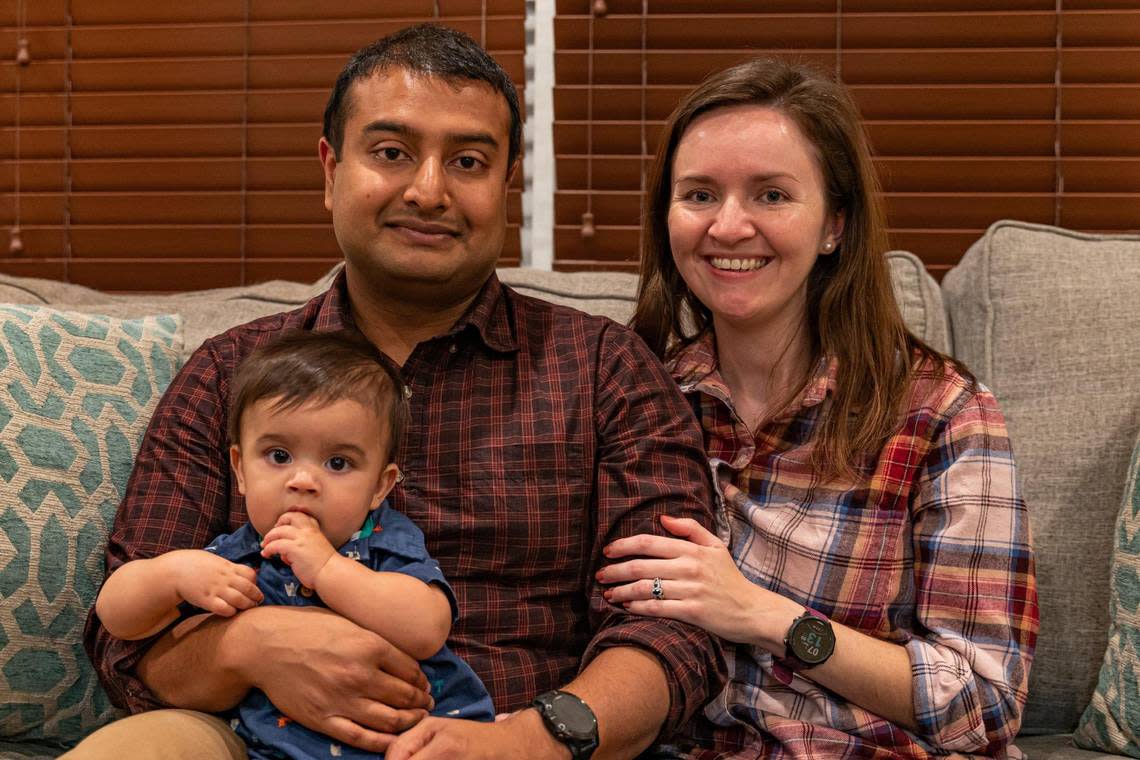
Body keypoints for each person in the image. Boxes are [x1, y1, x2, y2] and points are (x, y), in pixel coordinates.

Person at [71, 22, 724, 760]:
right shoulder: (231, 371)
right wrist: (251, 646)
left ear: (505, 183)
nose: (428, 190)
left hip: (520, 732)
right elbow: (123, 640)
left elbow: (674, 626)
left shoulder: (604, 368)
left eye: (469, 161)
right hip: (255, 738)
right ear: (330, 169)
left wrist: (528, 741)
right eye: (391, 153)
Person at [599, 58, 1039, 758]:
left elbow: (984, 701)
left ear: (834, 225)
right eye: (699, 195)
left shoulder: (941, 413)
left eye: (771, 195)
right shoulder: (633, 396)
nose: (729, 226)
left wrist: (764, 615)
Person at [93, 330, 495, 759]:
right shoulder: (237, 556)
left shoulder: (383, 541)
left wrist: (327, 569)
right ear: (240, 470)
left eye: (338, 463)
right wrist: (170, 575)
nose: (303, 481)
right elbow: (118, 618)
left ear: (380, 486)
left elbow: (425, 628)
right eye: (279, 456)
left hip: (413, 740)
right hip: (272, 749)